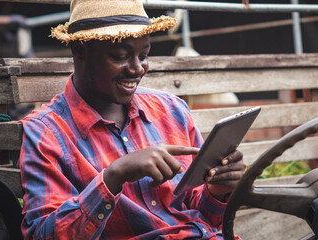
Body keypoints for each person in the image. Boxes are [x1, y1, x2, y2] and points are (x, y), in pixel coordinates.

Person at [19, 0, 245, 239]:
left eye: (144, 55)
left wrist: (217, 191)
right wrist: (114, 175)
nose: (137, 69)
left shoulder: (172, 110)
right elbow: (43, 235)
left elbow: (203, 217)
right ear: (80, 50)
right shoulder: (46, 133)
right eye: (120, 56)